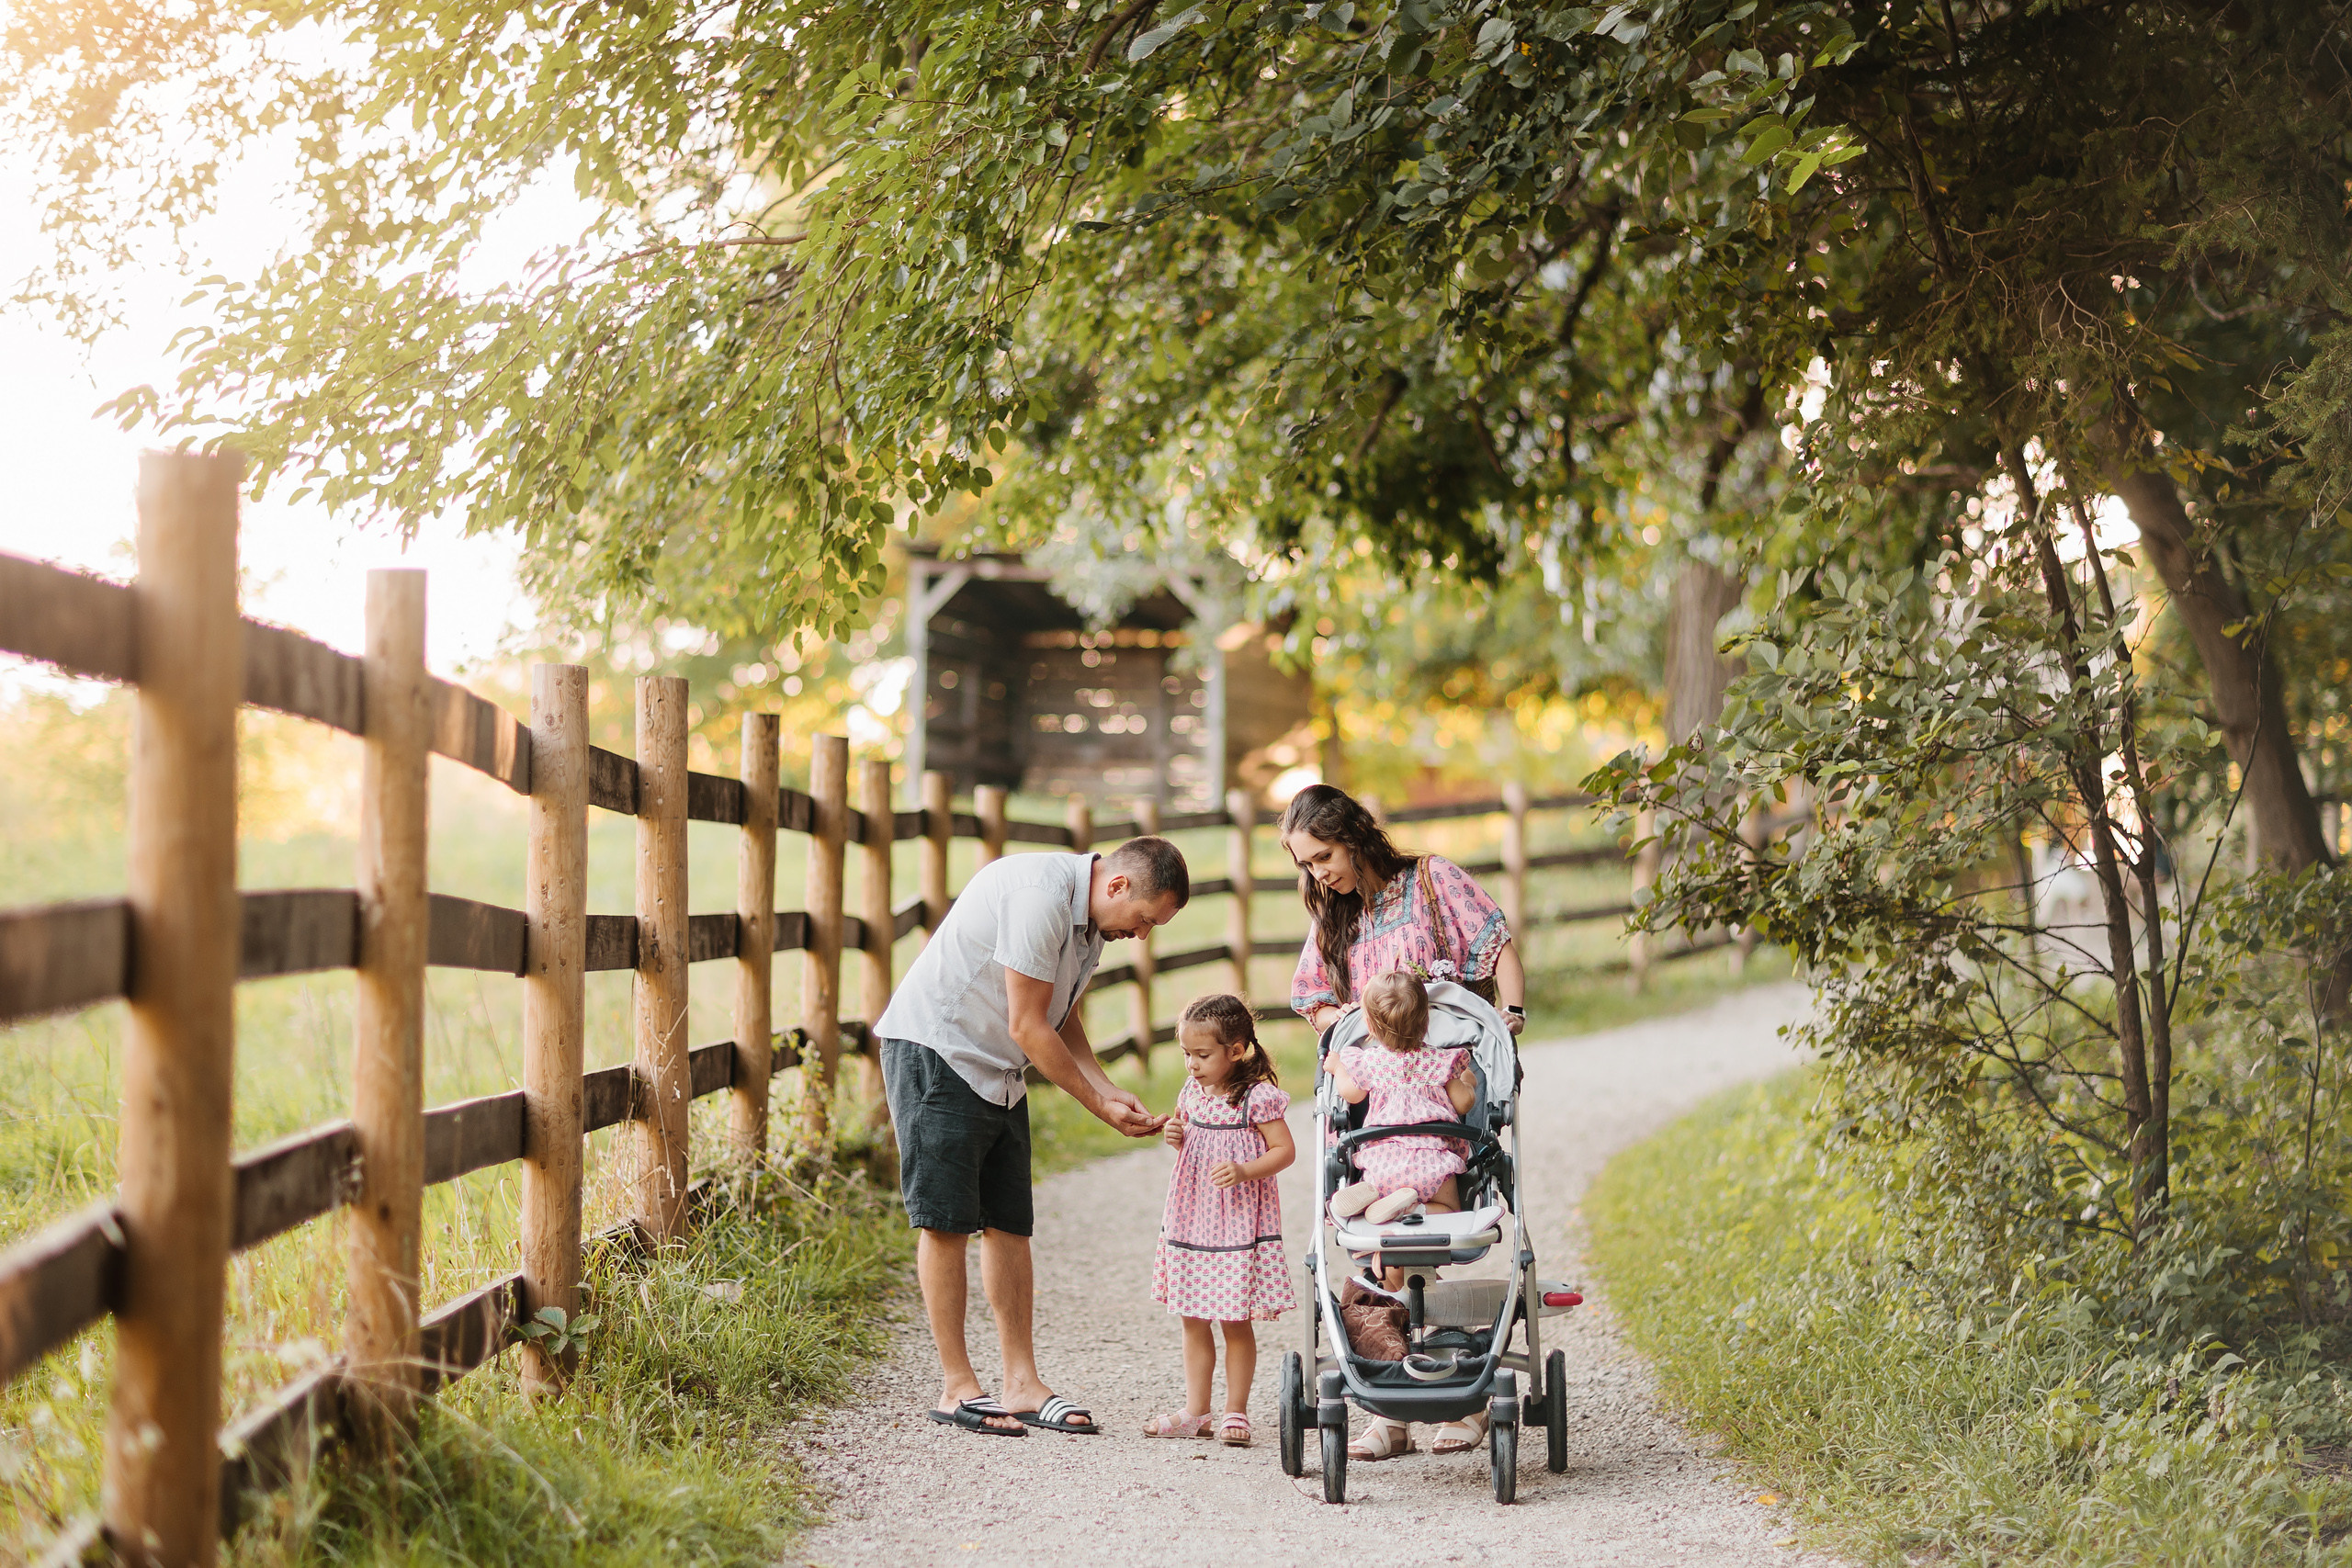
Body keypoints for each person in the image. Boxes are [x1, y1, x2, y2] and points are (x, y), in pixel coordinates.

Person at [876, 835, 1189, 1437]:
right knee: (945, 1221)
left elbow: (1059, 1016)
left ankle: (1021, 1384)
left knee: (1010, 1222)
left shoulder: (1093, 924)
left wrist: (1106, 1085)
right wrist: (1096, 1105)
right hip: (940, 1051)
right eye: (1146, 919)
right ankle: (957, 1386)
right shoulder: (1039, 895)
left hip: (997, 1065)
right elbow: (1027, 1024)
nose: (1142, 935)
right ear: (1117, 885)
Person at [1143, 994, 1297, 1447]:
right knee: (1192, 1317)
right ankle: (1196, 1412)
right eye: (1186, 1054)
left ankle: (1236, 1412)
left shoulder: (1257, 1097)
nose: (1192, 1064)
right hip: (1192, 1221)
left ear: (1236, 1050)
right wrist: (1175, 1135)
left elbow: (1284, 1151)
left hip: (1236, 1225)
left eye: (1202, 1055)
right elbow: (1191, 1142)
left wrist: (1246, 1170)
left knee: (1234, 1320)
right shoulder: (1191, 1092)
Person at [1281, 784, 1528, 1041]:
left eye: (1325, 856)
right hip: (1374, 1064)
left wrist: (1513, 1012)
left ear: (1356, 835)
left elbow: (1497, 947)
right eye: (1308, 865)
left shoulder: (1431, 879)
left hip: (1454, 1056)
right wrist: (1341, 1017)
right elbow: (1316, 1004)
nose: (1319, 874)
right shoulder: (1330, 917)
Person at [1327, 969, 1476, 1227]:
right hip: (1432, 1162)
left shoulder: (1370, 1062)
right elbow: (1464, 1103)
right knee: (1451, 1210)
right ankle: (1412, 1208)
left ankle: (1373, 1195)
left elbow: (1351, 1093)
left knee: (1381, 1181)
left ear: (1369, 1025)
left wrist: (1338, 1067)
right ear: (1426, 1019)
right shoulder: (1440, 1062)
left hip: (1382, 1162)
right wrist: (1467, 1081)